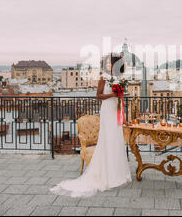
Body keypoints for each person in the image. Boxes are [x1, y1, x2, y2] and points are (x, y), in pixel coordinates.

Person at [49, 53, 132, 197]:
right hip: (107, 110)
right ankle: (107, 175)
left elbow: (123, 95)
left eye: (112, 63)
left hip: (116, 110)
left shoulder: (120, 79)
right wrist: (113, 95)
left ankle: (117, 173)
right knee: (108, 140)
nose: (110, 65)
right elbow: (98, 96)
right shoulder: (103, 78)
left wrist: (120, 96)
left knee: (117, 141)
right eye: (110, 63)